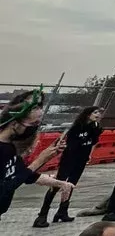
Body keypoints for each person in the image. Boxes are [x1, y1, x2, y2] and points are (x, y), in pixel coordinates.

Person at [0, 88, 74, 219]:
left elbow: (25, 175)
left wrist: (60, 183)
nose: (35, 129)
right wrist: (40, 160)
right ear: (14, 123)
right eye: (33, 123)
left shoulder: (10, 147)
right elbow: (7, 188)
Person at [35, 105, 103, 227]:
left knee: (71, 184)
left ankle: (62, 211)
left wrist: (89, 155)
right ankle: (42, 214)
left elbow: (93, 143)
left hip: (81, 159)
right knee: (57, 184)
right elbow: (69, 145)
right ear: (88, 114)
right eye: (95, 112)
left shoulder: (95, 127)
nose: (98, 115)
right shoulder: (76, 127)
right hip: (69, 158)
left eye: (99, 113)